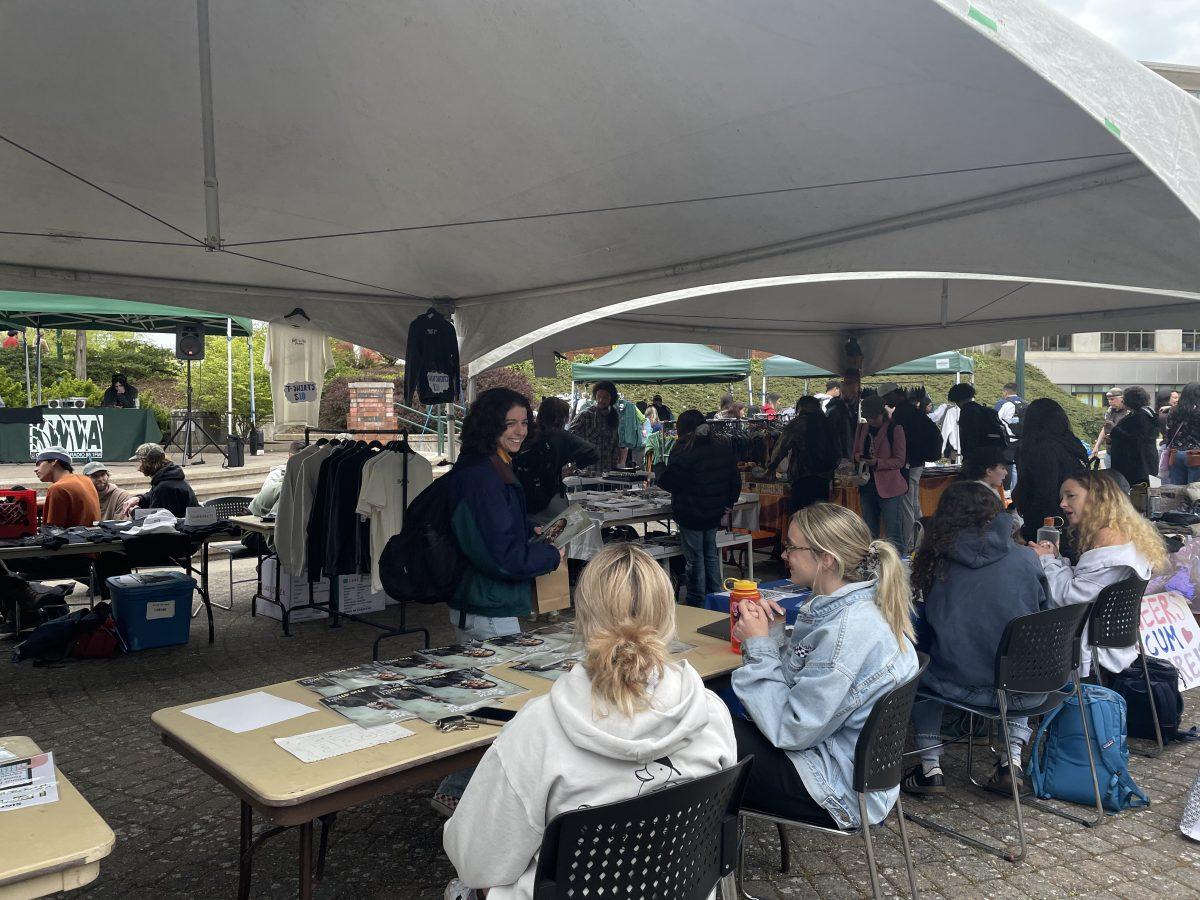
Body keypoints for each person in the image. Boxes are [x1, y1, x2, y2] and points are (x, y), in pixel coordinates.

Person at [442, 544, 736, 900]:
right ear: (669, 619)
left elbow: (476, 860)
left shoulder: (538, 729)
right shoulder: (710, 712)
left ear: (581, 621)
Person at [730, 503, 917, 827]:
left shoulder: (846, 631)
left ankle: (692, 853)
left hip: (834, 787)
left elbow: (791, 729)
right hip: (852, 772)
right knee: (708, 718)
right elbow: (802, 690)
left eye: (791, 546)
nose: (783, 554)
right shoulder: (858, 608)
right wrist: (773, 635)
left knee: (703, 730)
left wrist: (758, 646)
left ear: (826, 559)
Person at [903, 482, 1050, 795]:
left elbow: (926, 633)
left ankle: (931, 766)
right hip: (1030, 689)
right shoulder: (1027, 558)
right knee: (1019, 655)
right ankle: (1012, 761)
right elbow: (1041, 617)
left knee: (916, 662)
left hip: (964, 685)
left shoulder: (937, 566)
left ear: (944, 518)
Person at [447, 388, 564, 640]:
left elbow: (488, 528)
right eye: (510, 424)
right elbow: (503, 557)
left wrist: (526, 527)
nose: (520, 431)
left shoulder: (485, 464)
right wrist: (550, 555)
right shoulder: (484, 475)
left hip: (479, 603)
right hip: (487, 608)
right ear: (490, 424)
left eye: (524, 422)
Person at [1030, 471, 1168, 677]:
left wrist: (1045, 560)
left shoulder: (1108, 539)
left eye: (1071, 496)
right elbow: (1089, 583)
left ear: (1096, 497)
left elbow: (1068, 596)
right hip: (1112, 644)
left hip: (1091, 649)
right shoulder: (1124, 533)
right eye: (1062, 497)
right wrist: (1056, 558)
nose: (1062, 504)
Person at [658, 410, 741, 606]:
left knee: (695, 557)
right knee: (710, 553)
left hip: (691, 510)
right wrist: (728, 503)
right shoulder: (721, 445)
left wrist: (660, 470)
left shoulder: (684, 448)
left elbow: (672, 481)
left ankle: (697, 598)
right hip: (714, 509)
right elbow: (734, 479)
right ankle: (716, 595)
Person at [1011, 398, 1088, 546]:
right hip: (1078, 519)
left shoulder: (1037, 448)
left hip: (1047, 527)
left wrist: (1028, 531)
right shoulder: (1072, 444)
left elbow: (1044, 493)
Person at [514, 397, 598, 525]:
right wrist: (571, 468)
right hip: (552, 494)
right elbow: (593, 452)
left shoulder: (527, 433)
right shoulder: (562, 436)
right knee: (557, 532)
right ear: (563, 416)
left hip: (523, 494)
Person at [883, 384, 943, 553]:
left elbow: (902, 441)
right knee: (914, 502)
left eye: (887, 398)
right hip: (918, 462)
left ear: (893, 394)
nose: (886, 403)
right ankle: (921, 538)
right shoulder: (912, 410)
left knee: (907, 503)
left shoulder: (902, 413)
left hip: (908, 462)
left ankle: (910, 543)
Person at [853, 393, 908, 552]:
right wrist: (858, 457)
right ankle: (873, 566)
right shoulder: (862, 428)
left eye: (873, 417)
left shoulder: (895, 429)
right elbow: (855, 451)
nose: (870, 420)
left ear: (881, 413)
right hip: (867, 485)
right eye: (867, 417)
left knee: (893, 533)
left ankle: (898, 568)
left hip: (890, 488)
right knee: (869, 532)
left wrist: (877, 462)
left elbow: (899, 460)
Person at [764, 396, 837, 513]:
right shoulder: (828, 423)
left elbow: (782, 446)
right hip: (825, 477)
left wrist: (771, 467)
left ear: (802, 407)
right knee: (819, 516)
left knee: (801, 515)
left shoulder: (799, 422)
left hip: (802, 476)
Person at [125, 443, 198, 517]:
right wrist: (139, 499)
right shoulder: (168, 476)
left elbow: (158, 523)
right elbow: (153, 496)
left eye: (140, 462)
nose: (139, 468)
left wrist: (136, 512)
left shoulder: (165, 487)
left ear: (148, 463)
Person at [1109, 386, 1158, 488]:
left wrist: (1114, 430)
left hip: (1136, 466)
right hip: (1142, 462)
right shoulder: (1146, 414)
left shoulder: (1140, 417)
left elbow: (1135, 439)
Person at [949, 383, 1005, 472]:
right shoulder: (985, 410)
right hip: (993, 455)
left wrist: (967, 459)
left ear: (957, 400)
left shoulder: (966, 412)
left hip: (976, 459)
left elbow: (968, 438)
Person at [567, 381, 620, 472]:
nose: (601, 400)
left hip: (608, 472)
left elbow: (615, 444)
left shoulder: (614, 417)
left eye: (605, 397)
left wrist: (615, 467)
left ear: (612, 398)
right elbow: (569, 437)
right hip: (588, 472)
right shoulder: (586, 415)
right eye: (598, 396)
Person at [1165, 382, 1200, 485]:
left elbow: (1168, 431)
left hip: (1176, 454)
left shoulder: (1173, 410)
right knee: (1195, 489)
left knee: (1177, 490)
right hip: (1196, 454)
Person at [825, 369, 861, 463]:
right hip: (839, 459)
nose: (854, 394)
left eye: (856, 392)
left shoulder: (848, 410)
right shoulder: (835, 411)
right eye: (849, 383)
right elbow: (831, 438)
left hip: (846, 457)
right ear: (842, 386)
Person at [1091, 388, 1128, 465]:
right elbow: (1105, 429)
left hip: (1124, 453)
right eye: (1108, 399)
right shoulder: (1110, 410)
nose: (1110, 402)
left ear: (1122, 398)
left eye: (1112, 399)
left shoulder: (1128, 412)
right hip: (1109, 452)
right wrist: (1097, 446)